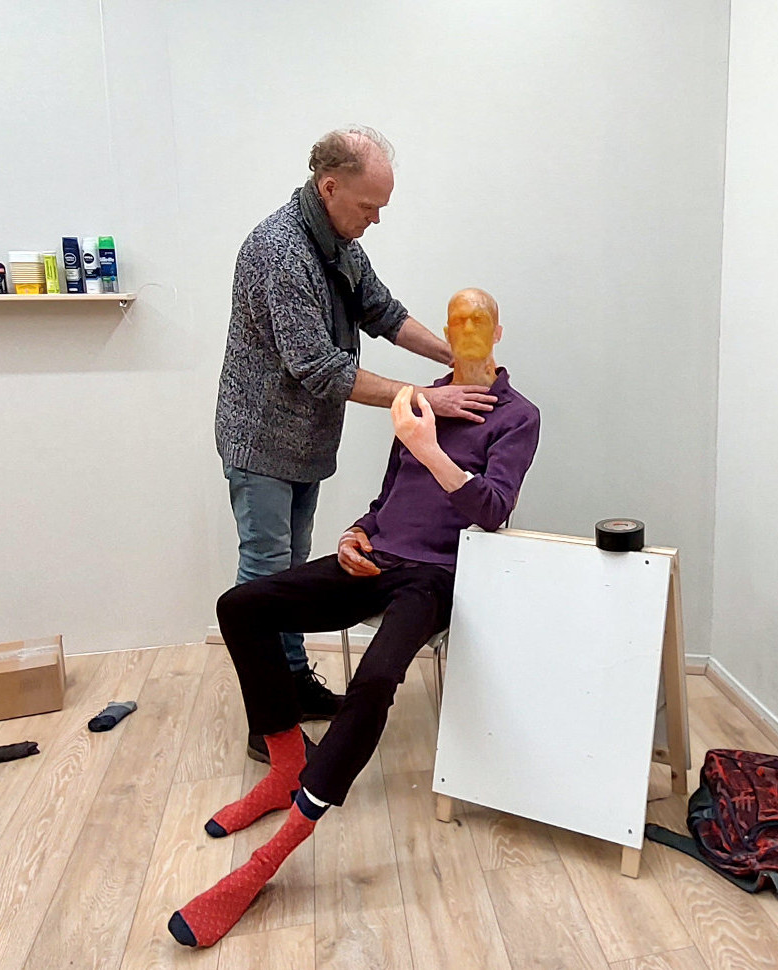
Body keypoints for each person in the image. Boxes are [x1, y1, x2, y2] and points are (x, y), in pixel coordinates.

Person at [172, 288, 540, 948]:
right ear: (445, 333)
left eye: (478, 320)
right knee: (242, 607)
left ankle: (271, 856)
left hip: (434, 576)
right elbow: (387, 499)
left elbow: (492, 510)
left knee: (373, 682)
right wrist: (355, 531)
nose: (466, 331)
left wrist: (429, 446)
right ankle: (285, 767)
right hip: (375, 557)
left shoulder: (517, 416)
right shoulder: (421, 400)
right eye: (456, 321)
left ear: (498, 332)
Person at [215, 127, 497, 749]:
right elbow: (318, 368)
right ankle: (271, 727)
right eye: (369, 206)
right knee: (265, 574)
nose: (375, 219)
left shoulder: (340, 243)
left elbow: (384, 313)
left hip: (306, 439)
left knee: (291, 567)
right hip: (262, 439)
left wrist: (456, 356)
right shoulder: (279, 251)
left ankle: (293, 682)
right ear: (329, 187)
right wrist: (428, 396)